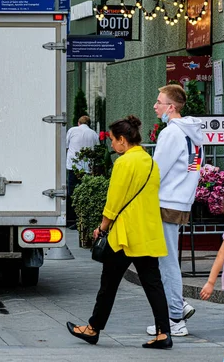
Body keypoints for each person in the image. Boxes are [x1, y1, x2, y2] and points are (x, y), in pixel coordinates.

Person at [66, 115, 172, 349]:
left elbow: (114, 202)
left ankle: (93, 329)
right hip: (147, 232)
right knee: (153, 283)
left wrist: (101, 227)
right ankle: (164, 332)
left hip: (124, 235)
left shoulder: (123, 163)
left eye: (113, 140)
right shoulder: (150, 162)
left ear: (123, 140)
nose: (112, 145)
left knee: (108, 284)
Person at [146, 84, 203, 337]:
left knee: (166, 263)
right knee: (163, 260)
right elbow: (194, 168)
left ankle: (175, 318)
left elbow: (156, 172)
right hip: (180, 202)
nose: (156, 106)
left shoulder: (171, 133)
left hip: (166, 202)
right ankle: (178, 306)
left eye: (159, 102)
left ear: (171, 107)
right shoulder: (193, 134)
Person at [66, 116, 99, 228]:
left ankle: (73, 220)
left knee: (73, 193)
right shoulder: (94, 134)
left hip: (73, 167)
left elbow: (66, 146)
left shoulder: (72, 130)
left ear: (78, 123)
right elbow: (97, 149)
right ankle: (83, 220)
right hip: (87, 168)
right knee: (85, 193)